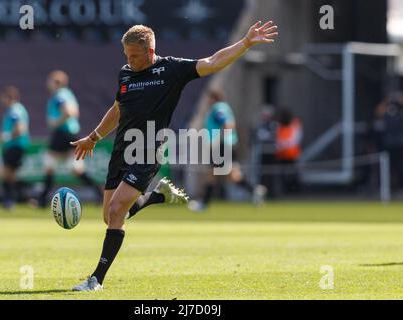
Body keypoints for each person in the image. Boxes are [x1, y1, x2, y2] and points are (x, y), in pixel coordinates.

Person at [70, 22, 278, 291]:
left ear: (150, 50)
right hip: (122, 150)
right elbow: (118, 109)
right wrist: (94, 137)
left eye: (134, 55)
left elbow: (213, 62)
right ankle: (158, 196)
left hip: (147, 149)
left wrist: (246, 42)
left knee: (116, 210)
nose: (129, 61)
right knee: (109, 217)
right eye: (126, 55)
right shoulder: (125, 74)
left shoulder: (171, 70)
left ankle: (96, 279)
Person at [188, 89, 267, 211]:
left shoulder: (218, 108)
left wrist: (218, 140)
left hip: (222, 145)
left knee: (211, 174)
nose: (207, 101)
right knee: (233, 176)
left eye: (209, 98)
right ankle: (255, 190)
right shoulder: (224, 107)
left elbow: (227, 124)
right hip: (228, 145)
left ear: (213, 98)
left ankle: (204, 203)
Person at [35, 71, 103, 208]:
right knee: (76, 169)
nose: (48, 84)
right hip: (72, 133)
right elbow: (74, 112)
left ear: (57, 83)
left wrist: (57, 122)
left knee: (49, 166)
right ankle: (100, 193)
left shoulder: (59, 95)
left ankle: (42, 200)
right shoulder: (68, 94)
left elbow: (69, 112)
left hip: (62, 133)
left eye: (50, 81)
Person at [0, 86, 30, 210]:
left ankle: (9, 201)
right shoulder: (17, 109)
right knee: (11, 174)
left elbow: (20, 128)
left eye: (3, 97)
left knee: (5, 173)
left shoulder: (14, 111)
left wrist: (5, 136)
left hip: (15, 145)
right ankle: (15, 200)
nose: (2, 100)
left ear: (9, 97)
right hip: (17, 145)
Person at [275, 108, 303, 193]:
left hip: (292, 154)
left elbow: (295, 139)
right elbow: (277, 140)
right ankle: (285, 190)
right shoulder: (279, 126)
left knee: (293, 173)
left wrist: (283, 144)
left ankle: (295, 190)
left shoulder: (295, 124)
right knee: (282, 174)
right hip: (281, 154)